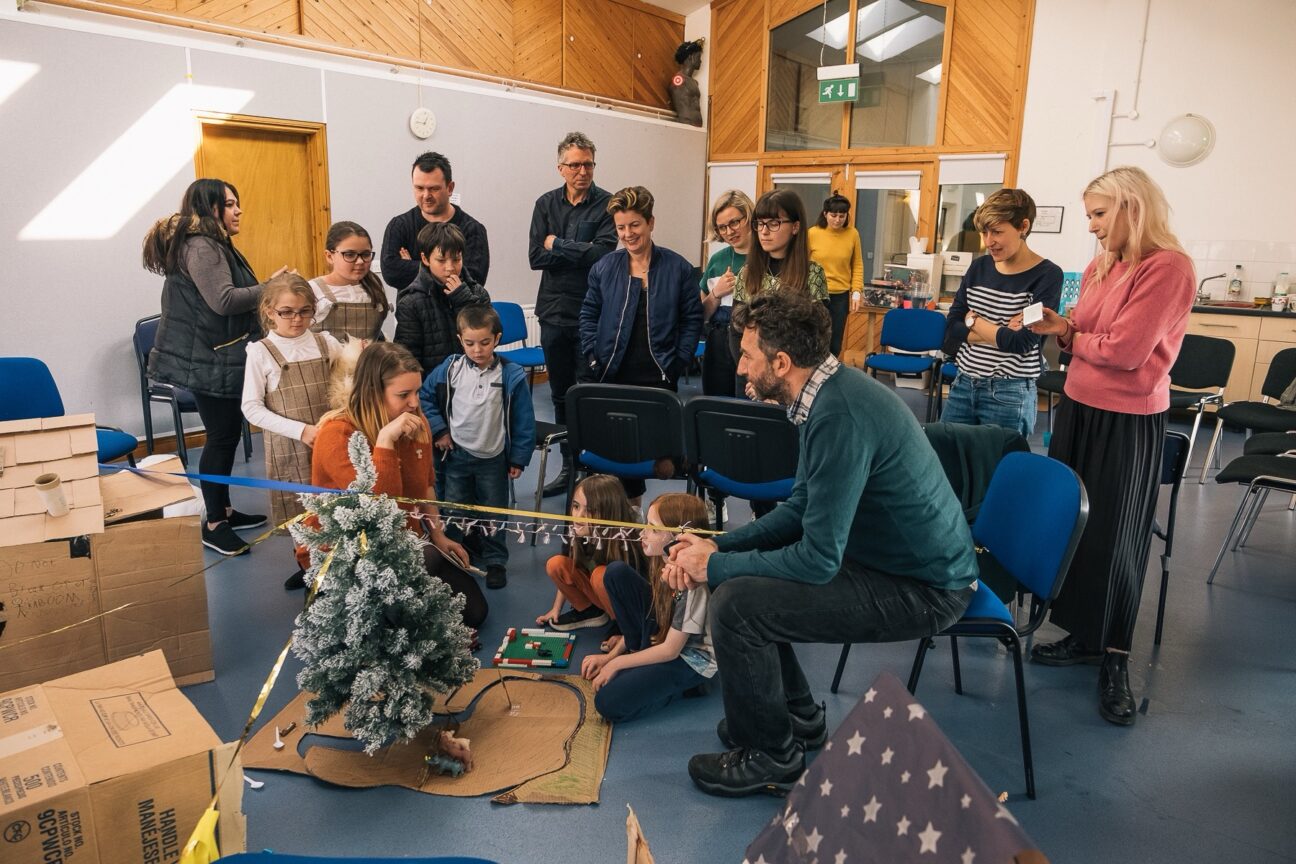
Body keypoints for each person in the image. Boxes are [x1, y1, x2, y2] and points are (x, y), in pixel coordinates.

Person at [663, 290, 977, 797]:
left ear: (781, 362)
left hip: (925, 588)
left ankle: (772, 756)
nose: (740, 367)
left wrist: (714, 569)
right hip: (889, 563)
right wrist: (720, 547)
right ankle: (796, 718)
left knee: (737, 605)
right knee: (742, 582)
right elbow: (801, 507)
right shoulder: (827, 393)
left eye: (747, 356)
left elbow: (816, 559)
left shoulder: (839, 414)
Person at [1026, 166, 1195, 726]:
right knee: (1075, 528)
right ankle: (1083, 633)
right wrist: (1061, 324)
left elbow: (1125, 352)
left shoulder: (1167, 267)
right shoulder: (1105, 264)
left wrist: (1072, 336)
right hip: (1079, 406)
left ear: (1132, 208)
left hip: (1127, 419)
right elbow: (1087, 328)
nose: (1093, 228)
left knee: (1117, 537)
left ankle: (1115, 656)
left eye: (1099, 215)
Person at [143, 178, 290, 557]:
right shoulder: (203, 246)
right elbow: (223, 301)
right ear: (210, 209)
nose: (238, 210)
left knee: (222, 433)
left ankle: (222, 508)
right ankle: (214, 524)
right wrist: (274, 287)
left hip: (213, 355)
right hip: (207, 359)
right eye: (229, 204)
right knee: (221, 436)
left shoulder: (209, 243)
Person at [305, 341, 488, 628]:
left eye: (417, 391)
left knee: (474, 614)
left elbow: (426, 485)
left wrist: (438, 535)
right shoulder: (336, 434)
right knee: (405, 623)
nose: (415, 403)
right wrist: (386, 441)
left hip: (407, 540)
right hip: (352, 552)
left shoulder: (415, 421)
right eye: (404, 394)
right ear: (372, 393)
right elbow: (378, 507)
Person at [579, 185, 702, 502]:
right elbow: (589, 314)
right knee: (617, 454)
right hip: (612, 374)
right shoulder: (604, 267)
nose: (628, 234)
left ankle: (646, 524)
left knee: (656, 461)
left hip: (658, 378)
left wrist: (681, 359)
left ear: (651, 223)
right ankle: (626, 521)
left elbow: (692, 319)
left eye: (634, 225)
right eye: (621, 227)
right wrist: (593, 355)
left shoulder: (678, 268)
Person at [419, 305, 536, 591]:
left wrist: (518, 458)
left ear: (497, 339)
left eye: (485, 342)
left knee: (494, 512)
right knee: (455, 511)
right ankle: (455, 557)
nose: (478, 350)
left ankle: (496, 561)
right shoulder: (451, 369)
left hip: (493, 458)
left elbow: (523, 420)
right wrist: (440, 431)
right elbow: (425, 397)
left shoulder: (511, 375)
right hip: (456, 456)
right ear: (460, 339)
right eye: (470, 343)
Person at [529, 132, 618, 495]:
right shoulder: (545, 204)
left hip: (591, 314)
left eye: (588, 164)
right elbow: (536, 257)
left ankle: (590, 470)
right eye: (575, 165)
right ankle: (569, 468)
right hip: (552, 312)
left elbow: (604, 256)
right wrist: (578, 251)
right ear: (561, 168)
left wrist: (559, 245)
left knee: (588, 393)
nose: (582, 171)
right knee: (560, 395)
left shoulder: (608, 205)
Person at [241, 274, 343, 588]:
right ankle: (307, 566)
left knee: (337, 506)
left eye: (304, 311)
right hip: (291, 445)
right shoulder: (261, 352)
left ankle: (339, 567)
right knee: (301, 509)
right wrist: (301, 431)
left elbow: (347, 388)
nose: (296, 319)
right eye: (287, 312)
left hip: (331, 441)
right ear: (270, 311)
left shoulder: (327, 342)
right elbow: (251, 407)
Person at [581, 493, 715, 722]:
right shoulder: (661, 561)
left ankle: (686, 687)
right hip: (669, 633)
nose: (643, 534)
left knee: (608, 703)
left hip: (687, 657)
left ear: (676, 539)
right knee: (616, 572)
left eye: (653, 529)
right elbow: (655, 609)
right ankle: (639, 655)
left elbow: (671, 650)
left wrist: (616, 663)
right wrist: (611, 656)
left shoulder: (691, 581)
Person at [941, 189, 1063, 438]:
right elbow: (952, 328)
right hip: (963, 383)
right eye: (984, 232)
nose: (988, 241)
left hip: (1009, 392)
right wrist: (999, 330)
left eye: (997, 232)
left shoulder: (1047, 275)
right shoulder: (978, 267)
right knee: (947, 463)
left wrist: (972, 320)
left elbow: (1020, 343)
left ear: (1023, 226)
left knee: (997, 469)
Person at [730, 189, 829, 393]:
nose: (764, 231)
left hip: (793, 383)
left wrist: (778, 384)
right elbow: (735, 331)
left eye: (774, 223)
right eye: (759, 223)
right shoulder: (746, 274)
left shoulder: (812, 274)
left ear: (795, 227)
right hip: (751, 380)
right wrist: (753, 376)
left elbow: (820, 339)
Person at [538, 474, 647, 632]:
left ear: (608, 513)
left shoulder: (626, 542)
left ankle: (622, 626)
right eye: (576, 506)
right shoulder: (577, 532)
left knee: (600, 575)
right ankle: (590, 611)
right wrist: (556, 609)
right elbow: (572, 561)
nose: (579, 516)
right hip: (602, 595)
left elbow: (637, 595)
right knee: (556, 564)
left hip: (633, 607)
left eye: (589, 510)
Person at [380, 152, 491, 292]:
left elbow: (474, 280)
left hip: (456, 313)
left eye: (434, 188)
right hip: (411, 313)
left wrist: (413, 266)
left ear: (450, 188)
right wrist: (447, 272)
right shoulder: (399, 226)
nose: (426, 196)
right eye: (419, 188)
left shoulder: (472, 229)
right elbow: (391, 273)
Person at [394, 222, 491, 375]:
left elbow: (491, 337)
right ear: (425, 259)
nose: (450, 267)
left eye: (456, 259)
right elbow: (408, 358)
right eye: (441, 260)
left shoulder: (477, 292)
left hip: (475, 381)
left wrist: (463, 300)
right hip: (434, 386)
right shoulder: (411, 301)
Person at [699, 190, 754, 397]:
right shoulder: (717, 260)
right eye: (722, 227)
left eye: (734, 223)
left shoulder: (766, 256)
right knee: (716, 405)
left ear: (748, 217)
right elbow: (702, 314)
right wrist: (716, 294)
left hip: (752, 344)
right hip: (718, 344)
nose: (729, 231)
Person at [309, 221, 389, 342]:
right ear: (329, 256)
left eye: (366, 254)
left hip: (366, 360)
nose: (360, 261)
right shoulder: (313, 290)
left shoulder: (374, 288)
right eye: (350, 255)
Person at [807, 193, 864, 357]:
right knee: (815, 338)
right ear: (825, 214)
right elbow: (802, 263)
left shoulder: (852, 234)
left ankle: (830, 376)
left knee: (835, 341)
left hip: (841, 296)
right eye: (833, 215)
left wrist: (856, 291)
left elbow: (857, 264)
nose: (838, 219)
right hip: (815, 295)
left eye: (842, 215)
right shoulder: (812, 233)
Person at [668, 39, 704, 127]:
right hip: (686, 125)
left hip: (698, 127)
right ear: (691, 57)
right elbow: (680, 104)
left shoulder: (695, 82)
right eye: (698, 57)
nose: (700, 61)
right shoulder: (679, 79)